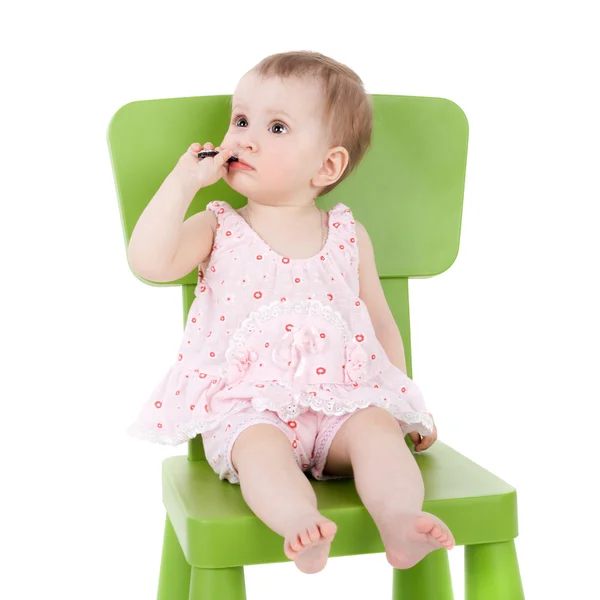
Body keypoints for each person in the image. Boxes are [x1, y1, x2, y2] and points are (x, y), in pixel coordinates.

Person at [126, 50, 454, 575]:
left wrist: (401, 405)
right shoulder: (219, 227)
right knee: (261, 454)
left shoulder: (348, 235)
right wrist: (184, 182)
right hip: (249, 409)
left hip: (341, 404)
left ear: (328, 165)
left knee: (376, 433)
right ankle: (299, 521)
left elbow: (379, 324)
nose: (244, 138)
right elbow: (151, 261)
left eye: (276, 126)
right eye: (240, 120)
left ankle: (399, 519)